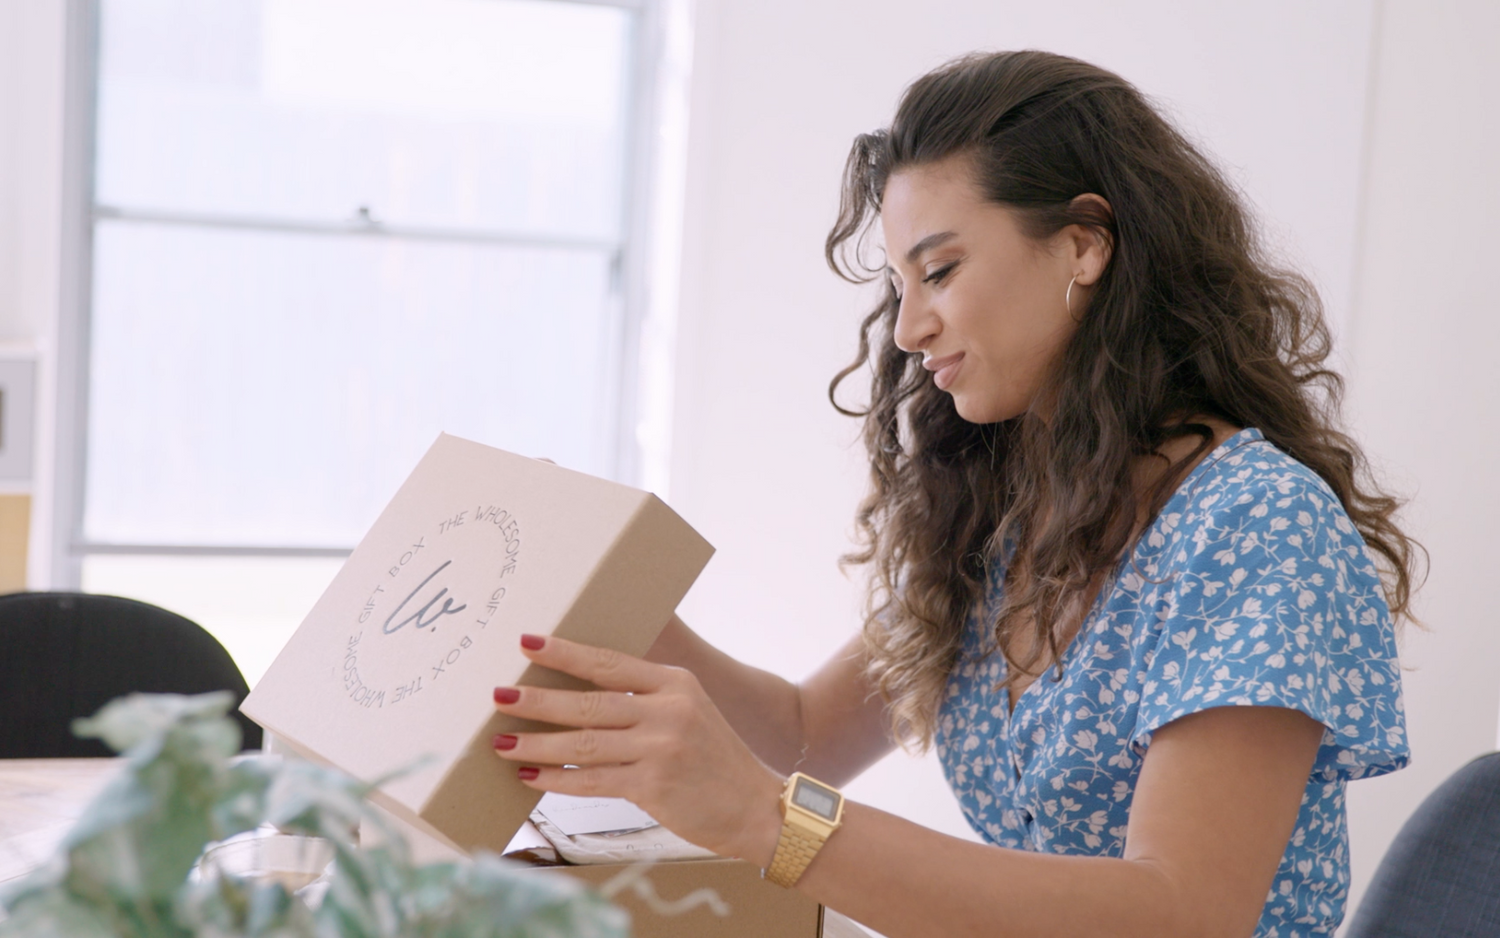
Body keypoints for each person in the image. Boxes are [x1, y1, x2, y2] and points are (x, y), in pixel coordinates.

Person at [487, 51, 1421, 938]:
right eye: (898, 284)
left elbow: (1178, 914)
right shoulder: (1011, 518)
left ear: (1084, 245)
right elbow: (806, 735)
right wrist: (609, 587)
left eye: (939, 272)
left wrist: (772, 820)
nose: (906, 327)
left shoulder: (1255, 522)